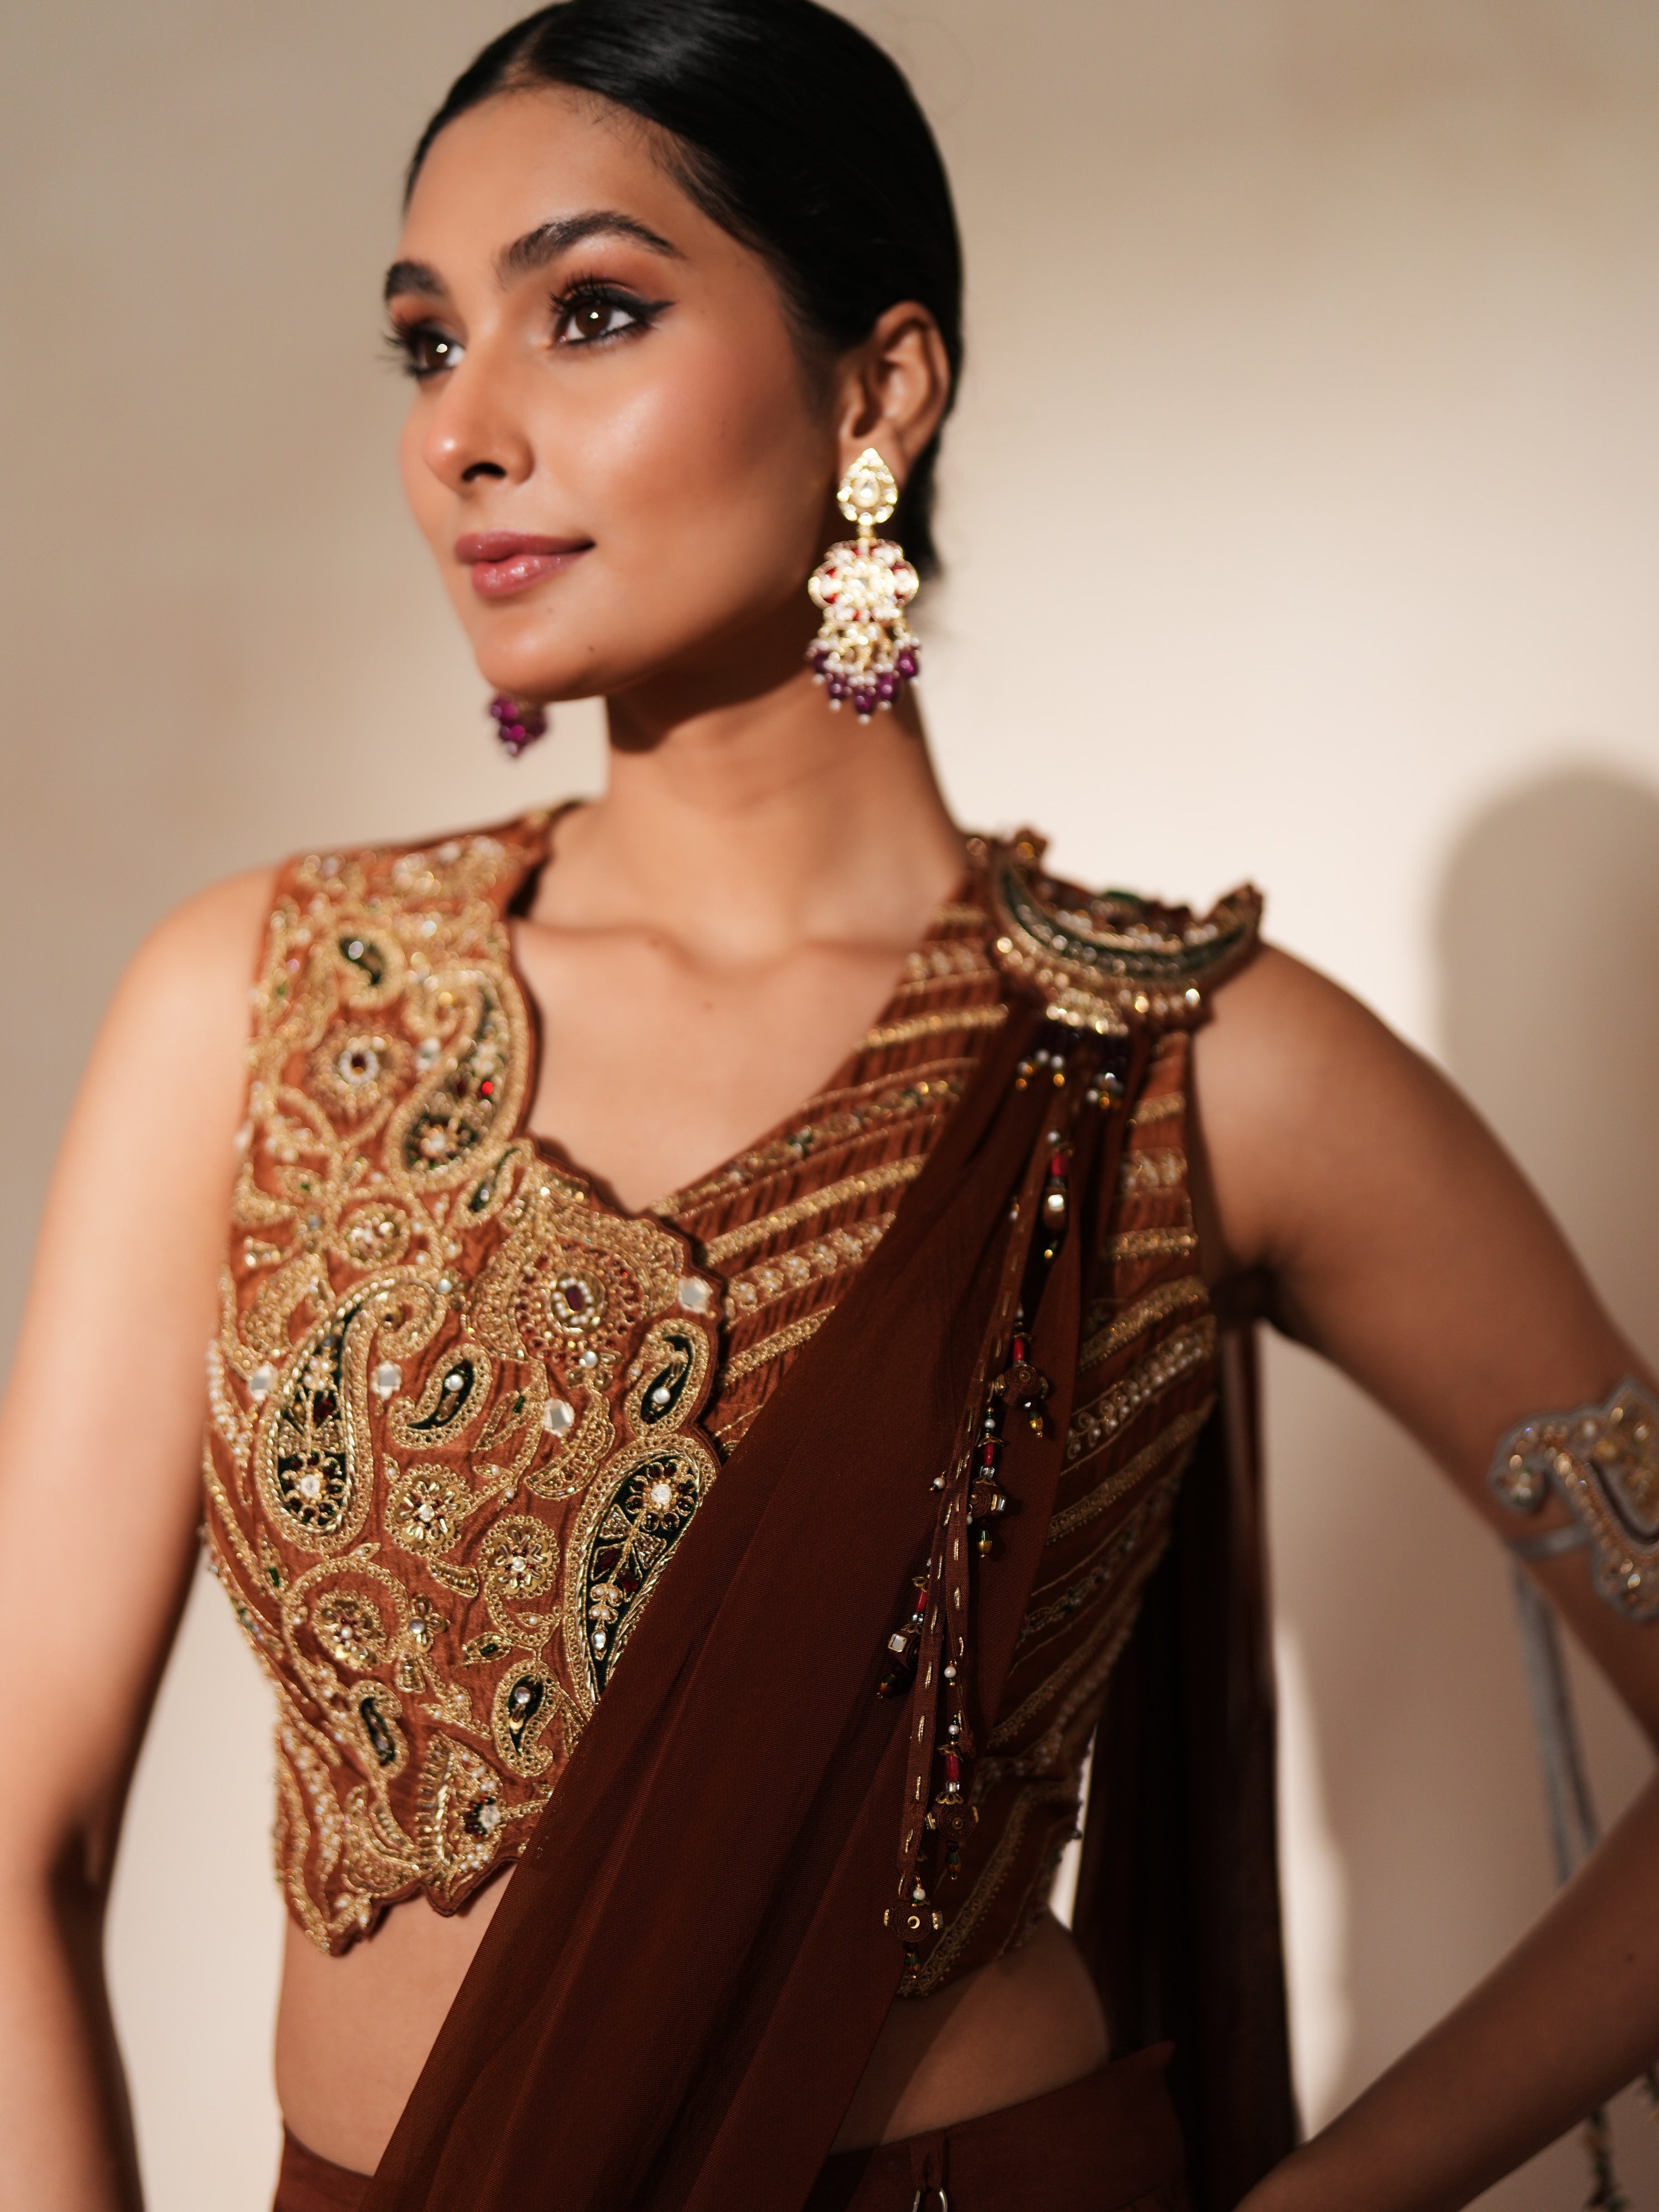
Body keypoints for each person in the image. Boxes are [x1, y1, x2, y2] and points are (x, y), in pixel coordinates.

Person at [2, 3, 1657, 2207]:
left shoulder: (1187, 1065)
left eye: (590, 313)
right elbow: (25, 1823)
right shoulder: (262, 1002)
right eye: (425, 343)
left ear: (879, 385)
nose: (466, 430)